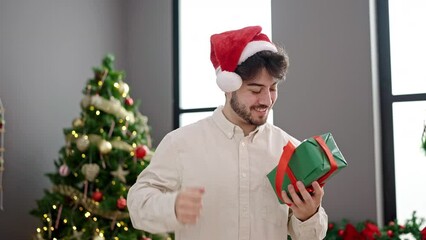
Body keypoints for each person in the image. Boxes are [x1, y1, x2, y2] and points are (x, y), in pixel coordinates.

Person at [127, 25, 328, 240]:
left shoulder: (289, 149)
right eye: (255, 89)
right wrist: (172, 206)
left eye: (272, 88)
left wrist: (309, 215)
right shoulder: (181, 144)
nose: (267, 100)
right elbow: (138, 204)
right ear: (229, 86)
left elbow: (311, 236)